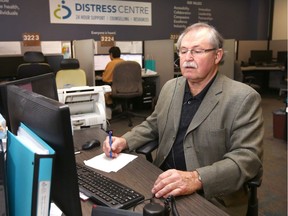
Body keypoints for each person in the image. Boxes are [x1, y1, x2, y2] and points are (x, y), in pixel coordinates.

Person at [103, 23, 264, 216]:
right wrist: (125, 140)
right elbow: (153, 123)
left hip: (209, 193)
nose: (188, 58)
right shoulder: (171, 87)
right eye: (183, 51)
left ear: (217, 55)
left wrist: (197, 178)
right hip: (162, 180)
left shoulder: (243, 98)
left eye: (197, 51)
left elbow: (247, 159)